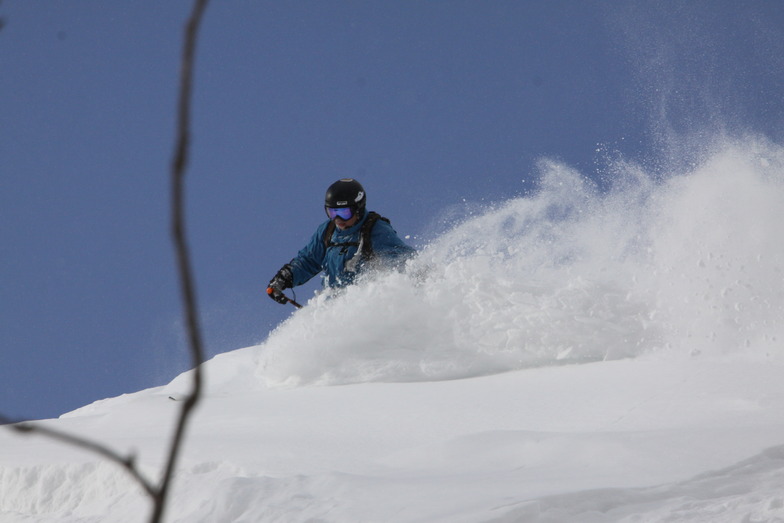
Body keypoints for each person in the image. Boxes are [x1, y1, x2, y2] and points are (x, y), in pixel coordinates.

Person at [266, 178, 416, 305]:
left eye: (344, 213)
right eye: (332, 212)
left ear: (358, 208)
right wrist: (284, 278)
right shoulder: (327, 231)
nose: (338, 220)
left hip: (366, 305)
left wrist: (418, 277)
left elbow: (399, 259)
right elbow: (309, 260)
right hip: (334, 307)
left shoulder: (375, 230)